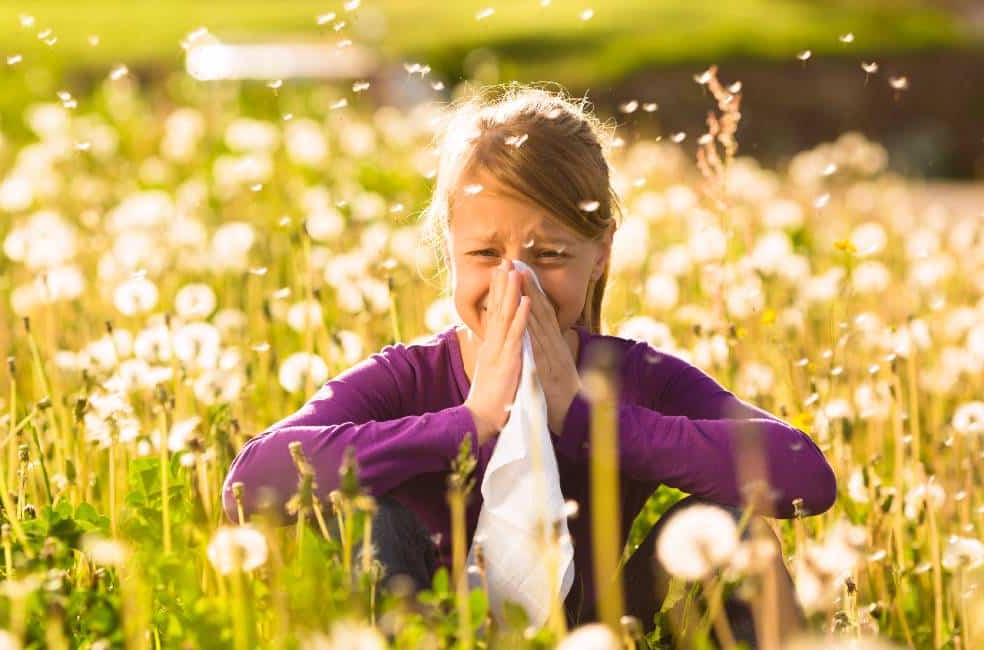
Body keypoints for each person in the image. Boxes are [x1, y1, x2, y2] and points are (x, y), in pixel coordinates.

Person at [221, 83, 837, 643]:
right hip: (427, 630)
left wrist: (589, 420)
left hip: (600, 635)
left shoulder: (633, 377)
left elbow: (806, 476)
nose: (515, 282)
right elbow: (249, 485)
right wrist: (469, 422)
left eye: (548, 254)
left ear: (600, 255)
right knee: (370, 519)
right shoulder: (410, 377)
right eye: (487, 253)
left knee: (733, 529)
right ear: (450, 251)